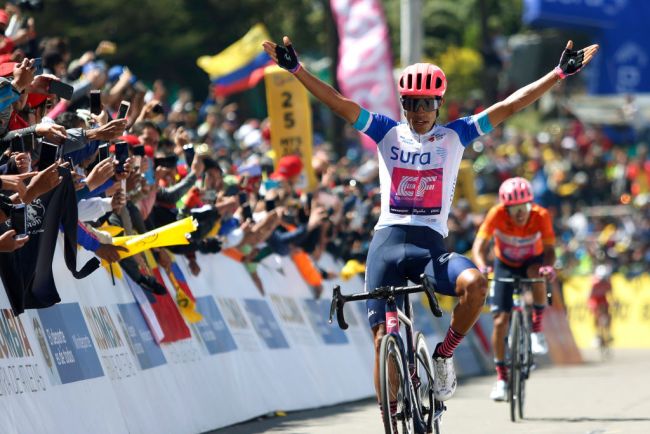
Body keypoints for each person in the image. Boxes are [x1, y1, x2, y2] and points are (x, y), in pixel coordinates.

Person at [262, 35, 598, 414]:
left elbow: (509, 104)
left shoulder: (457, 134)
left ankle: (442, 356)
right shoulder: (386, 132)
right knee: (380, 340)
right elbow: (341, 104)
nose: (419, 111)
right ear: (403, 105)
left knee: (475, 284)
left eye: (427, 104)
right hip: (386, 243)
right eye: (411, 104)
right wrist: (296, 70)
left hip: (429, 247)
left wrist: (557, 74)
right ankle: (394, 409)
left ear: (438, 104)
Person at [472, 177, 557, 401]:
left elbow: (549, 249)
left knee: (536, 275)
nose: (521, 213)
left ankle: (536, 329)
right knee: (500, 321)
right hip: (505, 265)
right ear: (506, 208)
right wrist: (482, 265)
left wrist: (547, 267)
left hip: (532, 261)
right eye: (515, 208)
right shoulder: (496, 214)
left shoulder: (541, 215)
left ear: (531, 204)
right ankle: (501, 379)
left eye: (525, 207)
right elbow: (479, 245)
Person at [588, 264, 613, 348]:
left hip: (603, 299)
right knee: (597, 315)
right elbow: (589, 295)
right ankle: (597, 335)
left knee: (608, 314)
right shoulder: (594, 282)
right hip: (594, 299)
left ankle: (608, 332)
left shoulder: (608, 282)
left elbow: (611, 294)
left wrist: (613, 302)